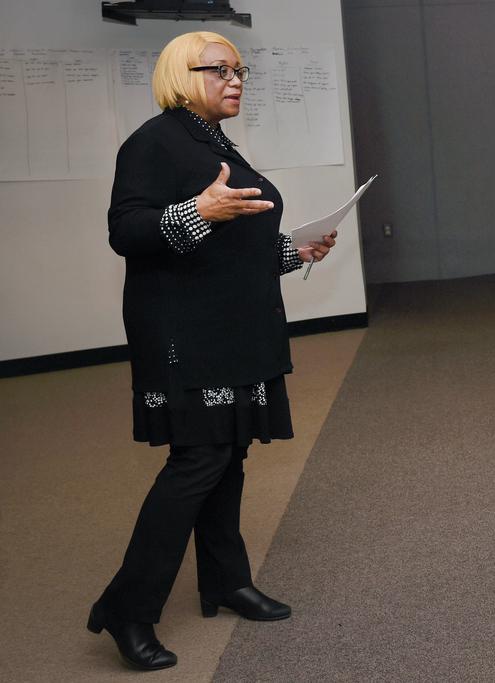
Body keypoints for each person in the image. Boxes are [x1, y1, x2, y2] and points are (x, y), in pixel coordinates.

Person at [89, 31, 338, 671]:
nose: (236, 80)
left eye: (240, 69)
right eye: (220, 69)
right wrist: (197, 207)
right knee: (198, 461)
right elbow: (127, 231)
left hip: (231, 326)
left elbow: (230, 248)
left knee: (228, 456)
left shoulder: (211, 140)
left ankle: (225, 581)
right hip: (186, 335)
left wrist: (294, 251)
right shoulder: (153, 141)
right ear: (181, 74)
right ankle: (128, 606)